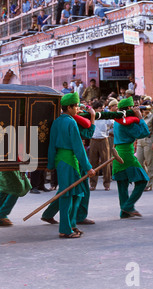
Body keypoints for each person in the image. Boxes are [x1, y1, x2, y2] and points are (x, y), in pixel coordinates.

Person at [45, 92, 96, 238]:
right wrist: (88, 167)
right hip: (69, 160)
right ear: (69, 107)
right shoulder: (71, 122)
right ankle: (65, 229)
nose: (77, 110)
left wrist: (50, 163)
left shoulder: (57, 122)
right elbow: (78, 147)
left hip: (62, 161)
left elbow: (51, 146)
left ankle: (72, 225)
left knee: (77, 193)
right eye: (76, 107)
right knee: (67, 195)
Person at [112, 97, 150, 219]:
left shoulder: (119, 120)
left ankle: (124, 212)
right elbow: (143, 133)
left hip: (118, 152)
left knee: (122, 184)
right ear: (129, 108)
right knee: (143, 180)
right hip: (127, 155)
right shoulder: (126, 122)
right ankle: (128, 207)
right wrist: (140, 117)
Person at [136, 104, 153, 191]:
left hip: (150, 139)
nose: (144, 110)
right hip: (141, 140)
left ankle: (149, 184)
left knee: (150, 162)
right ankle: (145, 178)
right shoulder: (141, 118)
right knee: (139, 161)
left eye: (145, 109)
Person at [89, 101, 113, 191]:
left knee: (106, 162)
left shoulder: (106, 117)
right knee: (93, 163)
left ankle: (107, 184)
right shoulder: (92, 117)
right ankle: (92, 184)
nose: (102, 109)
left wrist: (109, 133)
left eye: (103, 107)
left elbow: (113, 125)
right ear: (95, 109)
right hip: (93, 140)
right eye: (100, 108)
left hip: (104, 140)